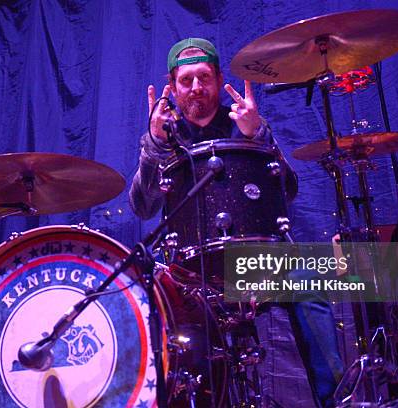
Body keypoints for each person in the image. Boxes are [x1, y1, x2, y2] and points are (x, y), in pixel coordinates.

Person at [129, 38, 344, 407]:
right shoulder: (165, 134)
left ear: (217, 78)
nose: (196, 87)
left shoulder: (242, 121)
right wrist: (154, 142)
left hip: (257, 264)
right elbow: (142, 207)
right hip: (188, 273)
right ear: (173, 85)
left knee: (307, 280)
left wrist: (258, 136)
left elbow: (287, 188)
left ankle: (337, 400)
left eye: (203, 77)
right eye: (186, 80)